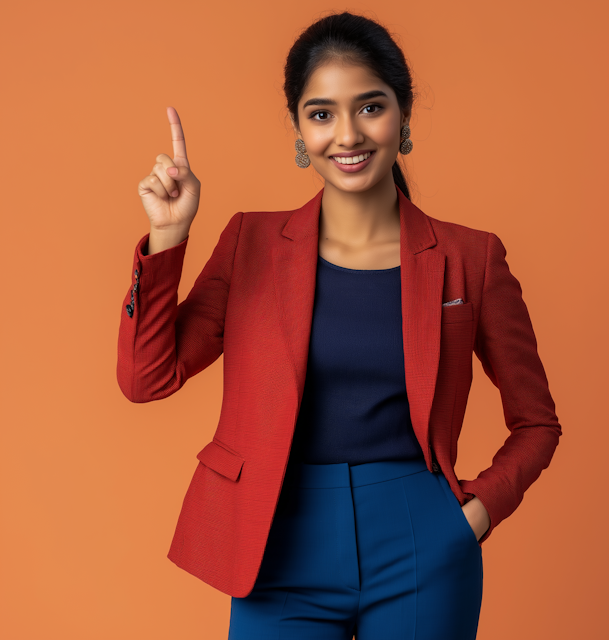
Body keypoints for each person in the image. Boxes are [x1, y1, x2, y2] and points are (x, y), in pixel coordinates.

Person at [117, 11, 562, 640]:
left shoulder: (472, 257)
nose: (347, 134)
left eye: (370, 107)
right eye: (321, 113)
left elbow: (537, 421)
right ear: (299, 129)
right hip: (278, 540)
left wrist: (475, 515)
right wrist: (168, 236)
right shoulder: (250, 242)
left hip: (421, 538)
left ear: (403, 115)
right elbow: (146, 377)